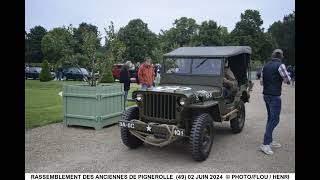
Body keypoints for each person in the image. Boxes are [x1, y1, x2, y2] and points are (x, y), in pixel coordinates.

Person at [259, 49, 291, 155]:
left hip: (266, 95)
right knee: (275, 119)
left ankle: (270, 141)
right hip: (274, 96)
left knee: (270, 118)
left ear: (272, 55)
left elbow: (261, 83)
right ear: (281, 56)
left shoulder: (265, 66)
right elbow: (287, 80)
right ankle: (265, 143)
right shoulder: (281, 66)